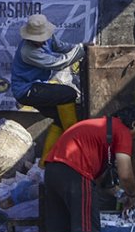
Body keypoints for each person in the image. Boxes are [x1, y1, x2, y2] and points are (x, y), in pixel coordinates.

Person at [43, 105, 135, 232]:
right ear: (134, 124)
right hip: (75, 172)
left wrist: (116, 192)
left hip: (52, 171)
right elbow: (125, 174)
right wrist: (132, 195)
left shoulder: (98, 127)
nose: (133, 139)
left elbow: (99, 182)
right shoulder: (122, 130)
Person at [11, 14, 86, 162]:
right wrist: (81, 51)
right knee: (68, 93)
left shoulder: (49, 38)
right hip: (26, 91)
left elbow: (62, 47)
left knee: (59, 117)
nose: (41, 42)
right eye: (36, 40)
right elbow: (58, 63)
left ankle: (45, 163)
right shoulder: (27, 51)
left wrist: (79, 47)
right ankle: (77, 142)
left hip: (38, 85)